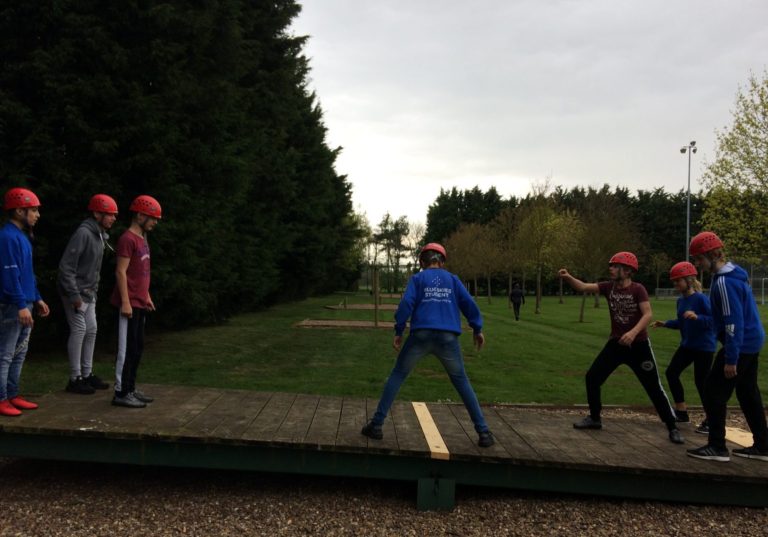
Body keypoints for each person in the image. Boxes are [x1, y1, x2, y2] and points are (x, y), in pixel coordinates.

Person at [361, 242, 495, 447]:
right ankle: (484, 433)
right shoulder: (453, 280)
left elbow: (406, 304)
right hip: (448, 339)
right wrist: (477, 329)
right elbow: (469, 304)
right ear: (442, 261)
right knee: (461, 381)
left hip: (420, 336)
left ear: (422, 262)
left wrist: (399, 330)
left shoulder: (418, 279)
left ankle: (376, 425)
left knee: (398, 374)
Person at [559, 252, 683, 444]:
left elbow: (647, 314)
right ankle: (594, 418)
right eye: (611, 265)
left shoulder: (638, 289)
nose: (611, 268)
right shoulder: (608, 287)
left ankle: (672, 426)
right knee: (592, 377)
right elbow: (583, 287)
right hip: (616, 345)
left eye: (615, 266)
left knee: (653, 387)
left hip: (639, 346)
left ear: (627, 271)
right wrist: (568, 277)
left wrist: (633, 333)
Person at [686, 232, 768, 462]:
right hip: (752, 342)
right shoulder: (734, 275)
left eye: (699, 258)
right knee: (748, 393)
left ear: (712, 255)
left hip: (740, 345)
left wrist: (731, 358)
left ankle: (717, 447)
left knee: (713, 390)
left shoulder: (723, 282)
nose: (696, 264)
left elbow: (733, 322)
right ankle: (763, 445)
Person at [58, 194, 118, 395]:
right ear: (96, 213)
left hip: (89, 294)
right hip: (74, 293)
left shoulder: (99, 234)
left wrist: (93, 293)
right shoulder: (83, 233)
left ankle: (87, 373)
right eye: (109, 214)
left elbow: (94, 269)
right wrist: (75, 296)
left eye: (114, 215)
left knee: (91, 329)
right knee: (79, 329)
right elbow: (66, 268)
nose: (113, 218)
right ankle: (75, 378)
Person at [0, 188, 50, 417]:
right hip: (12, 305)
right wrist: (21, 304)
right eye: (34, 210)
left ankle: (12, 394)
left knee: (20, 352)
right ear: (19, 210)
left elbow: (27, 273)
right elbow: (9, 275)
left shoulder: (23, 236)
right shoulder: (7, 237)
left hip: (26, 301)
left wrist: (37, 297)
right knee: (5, 353)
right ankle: (1, 398)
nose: (38, 214)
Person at [651, 261, 715, 435]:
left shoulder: (701, 299)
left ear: (689, 280)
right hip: (687, 345)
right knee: (672, 373)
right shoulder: (681, 301)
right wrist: (665, 324)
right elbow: (681, 322)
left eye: (678, 281)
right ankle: (682, 412)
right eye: (674, 281)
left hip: (704, 347)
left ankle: (712, 420)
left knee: (701, 383)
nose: (676, 285)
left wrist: (698, 317)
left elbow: (713, 321)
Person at [110, 195, 161, 408]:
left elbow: (142, 271)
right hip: (128, 304)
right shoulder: (127, 239)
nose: (155, 222)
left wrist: (146, 296)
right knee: (126, 349)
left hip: (140, 301)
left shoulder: (143, 239)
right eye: (152, 218)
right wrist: (126, 302)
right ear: (140, 215)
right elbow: (121, 272)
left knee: (138, 347)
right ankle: (121, 393)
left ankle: (131, 387)